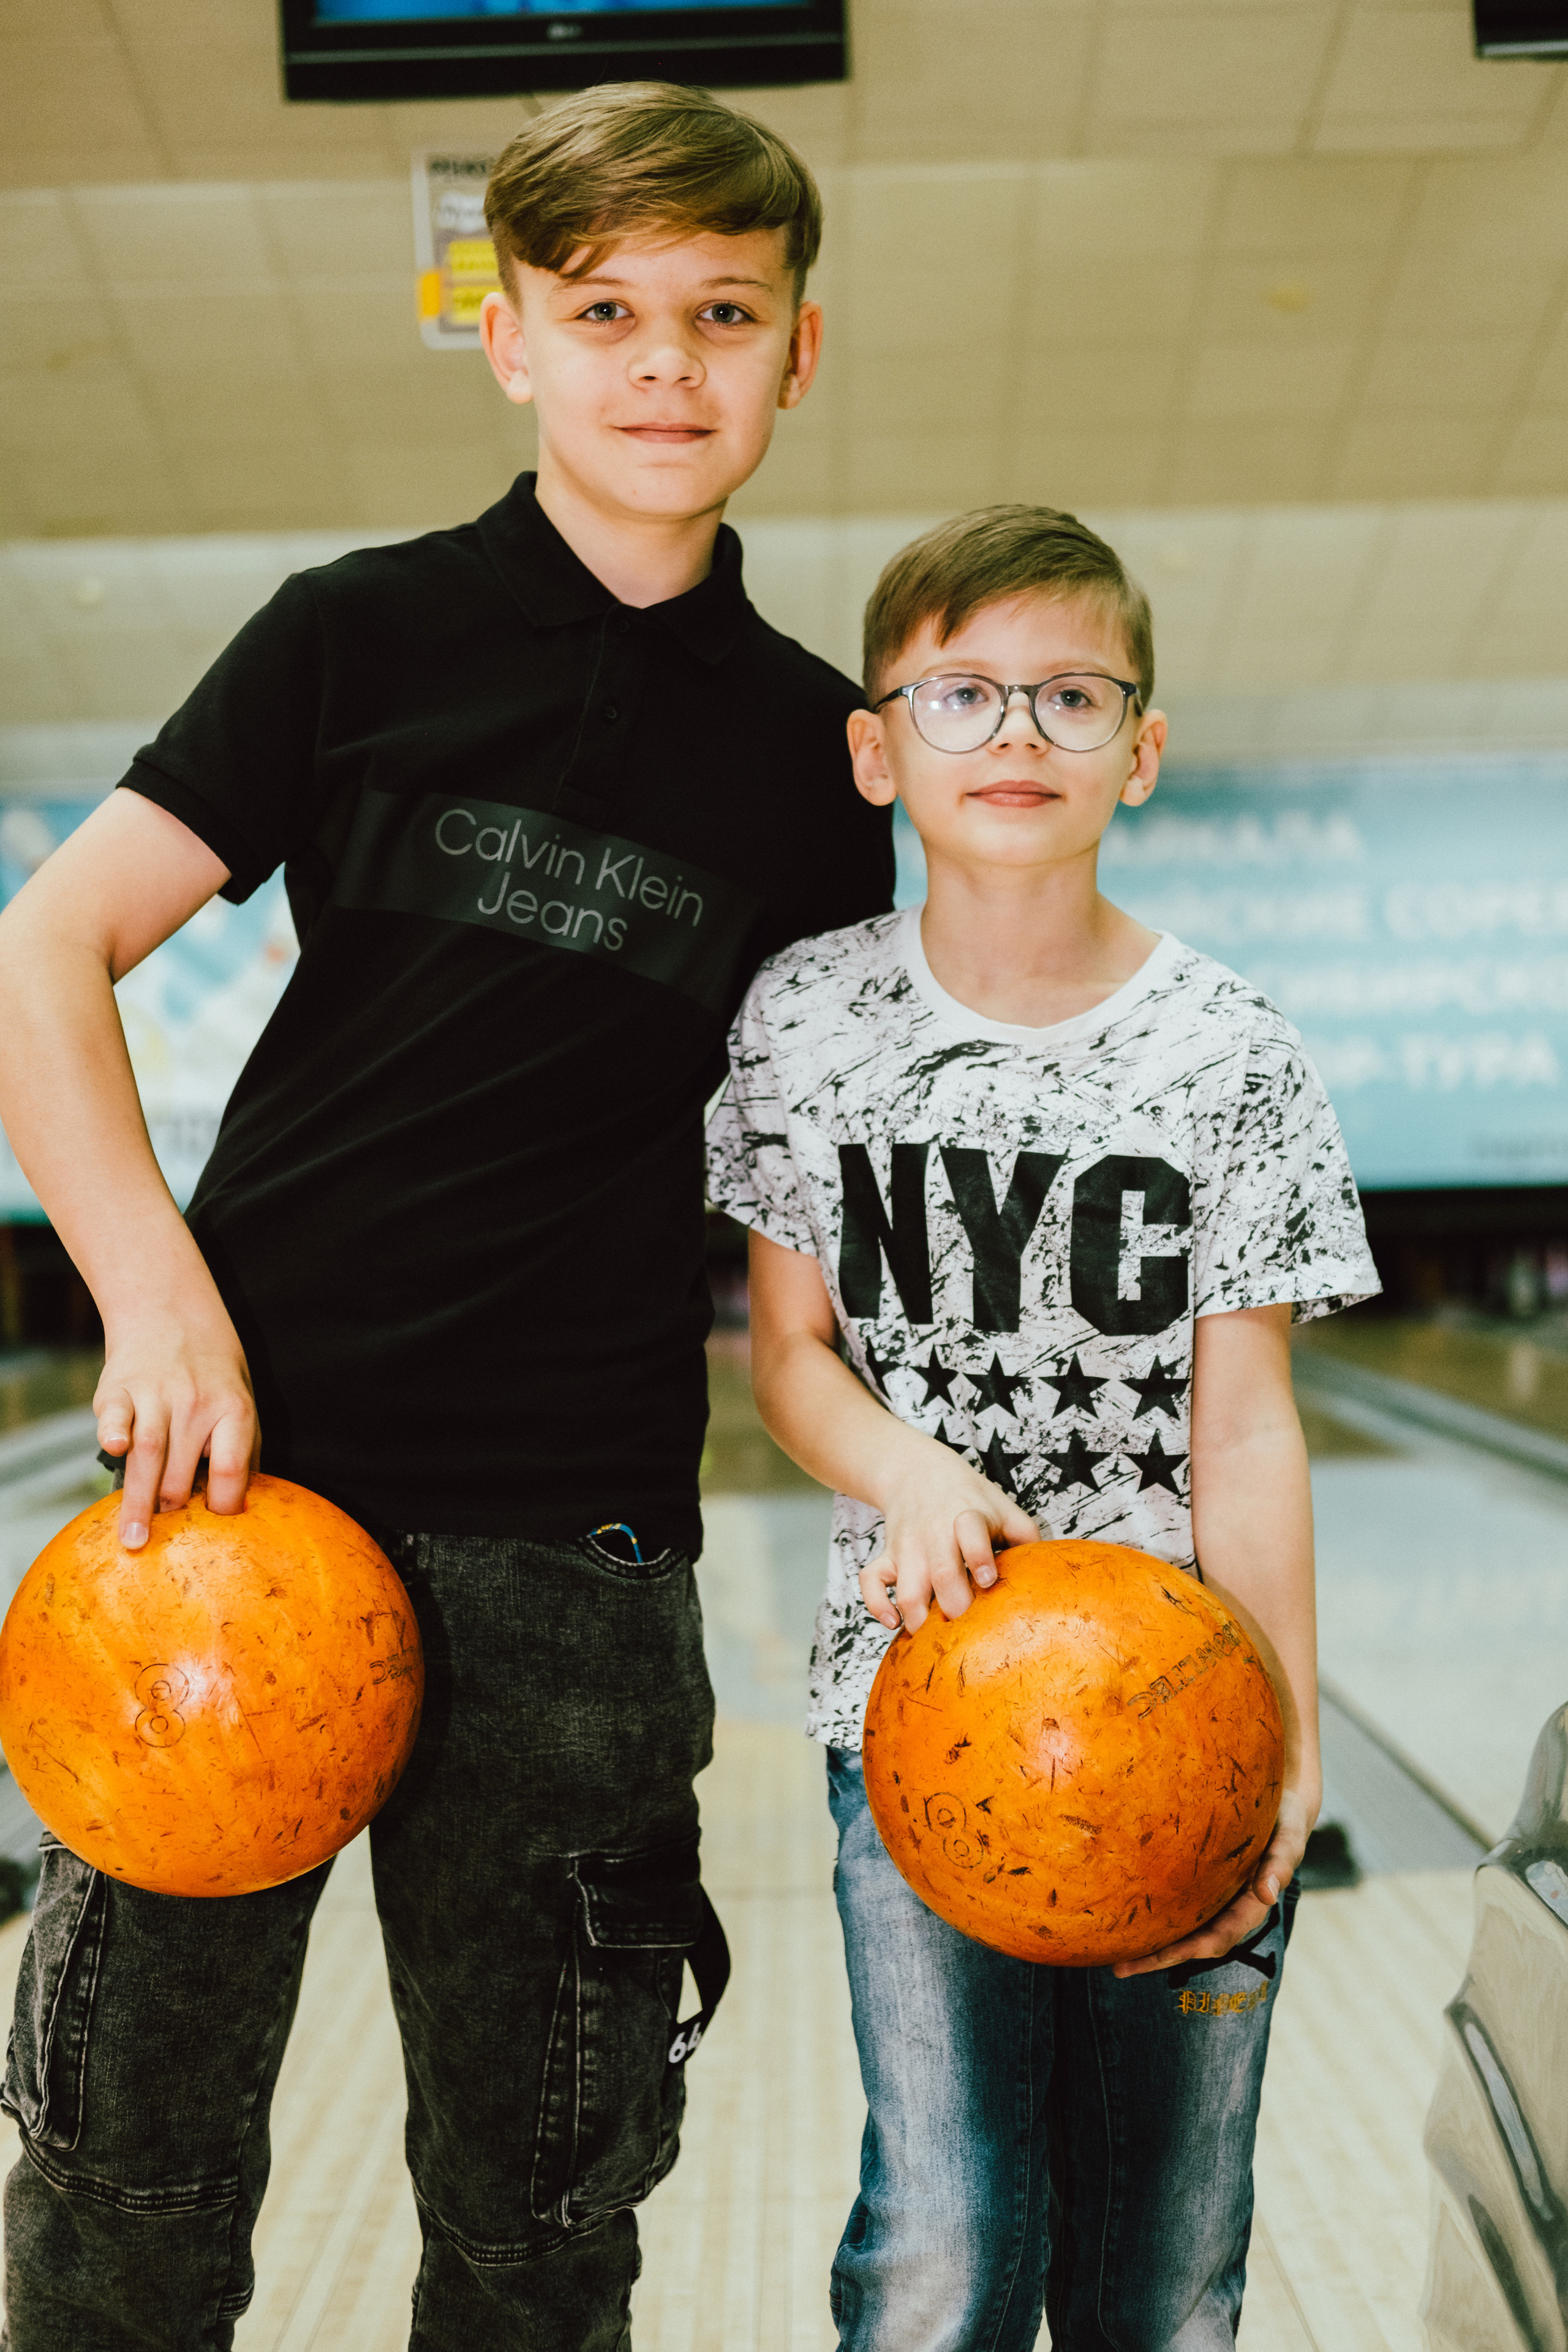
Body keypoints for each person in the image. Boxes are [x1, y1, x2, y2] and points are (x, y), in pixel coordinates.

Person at [0, 83, 892, 2351]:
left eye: (720, 311)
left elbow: (813, 1171)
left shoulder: (818, 760)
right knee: (127, 2167)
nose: (663, 361)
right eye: (603, 311)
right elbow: (43, 947)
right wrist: (154, 1303)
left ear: (800, 352)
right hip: (232, 1495)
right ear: (507, 339)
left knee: (540, 2219)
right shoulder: (356, 636)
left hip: (577, 1554)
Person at [706, 504, 1380, 2350]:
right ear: (876, 748)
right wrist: (912, 1468)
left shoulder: (1232, 1053)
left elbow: (1245, 1433)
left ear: (1142, 752)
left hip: (1187, 1726)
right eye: (964, 694)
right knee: (946, 2240)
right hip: (910, 1715)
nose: (1018, 735)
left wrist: (1292, 1752)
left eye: (1074, 697)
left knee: (1166, 2269)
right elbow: (790, 1354)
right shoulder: (807, 1018)